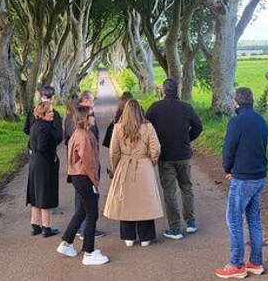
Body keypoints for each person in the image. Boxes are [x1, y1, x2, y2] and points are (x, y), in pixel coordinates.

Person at [214, 88, 268, 279]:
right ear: (252, 101)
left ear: (235, 102)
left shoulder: (236, 122)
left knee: (234, 218)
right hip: (260, 175)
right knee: (253, 218)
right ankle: (255, 262)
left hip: (243, 177)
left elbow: (228, 149)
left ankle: (237, 264)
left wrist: (228, 169)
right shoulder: (261, 120)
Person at [145, 77, 203, 240]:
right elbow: (198, 127)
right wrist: (187, 139)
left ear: (163, 90)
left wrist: (154, 144)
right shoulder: (186, 107)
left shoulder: (155, 108)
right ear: (177, 90)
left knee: (169, 191)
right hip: (184, 154)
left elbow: (146, 128)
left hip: (165, 156)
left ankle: (175, 228)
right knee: (187, 187)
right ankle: (190, 222)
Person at [103, 99, 162, 247]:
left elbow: (113, 152)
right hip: (143, 164)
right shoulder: (148, 127)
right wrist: (151, 162)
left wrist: (116, 167)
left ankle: (128, 236)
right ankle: (146, 237)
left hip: (124, 165)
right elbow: (156, 149)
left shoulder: (118, 127)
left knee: (126, 201)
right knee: (145, 201)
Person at [57, 106, 109, 265]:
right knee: (92, 213)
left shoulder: (77, 134)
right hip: (84, 177)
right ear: (86, 118)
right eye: (92, 116)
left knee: (81, 211)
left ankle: (66, 242)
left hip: (77, 176)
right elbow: (89, 162)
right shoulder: (84, 136)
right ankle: (89, 252)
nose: (94, 118)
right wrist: (96, 182)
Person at [64, 90, 105, 238]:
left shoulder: (70, 117)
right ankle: (87, 234)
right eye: (92, 100)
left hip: (76, 168)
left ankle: (70, 238)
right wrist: (96, 181)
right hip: (84, 170)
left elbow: (66, 140)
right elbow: (88, 158)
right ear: (86, 100)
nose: (93, 118)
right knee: (90, 207)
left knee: (82, 204)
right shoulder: (84, 133)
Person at [27, 102, 60, 237]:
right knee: (46, 194)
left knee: (36, 193)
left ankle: (35, 225)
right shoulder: (45, 128)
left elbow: (30, 143)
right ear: (42, 114)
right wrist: (52, 157)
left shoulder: (35, 125)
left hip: (35, 162)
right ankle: (46, 227)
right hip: (44, 165)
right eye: (50, 112)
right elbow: (42, 147)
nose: (53, 113)